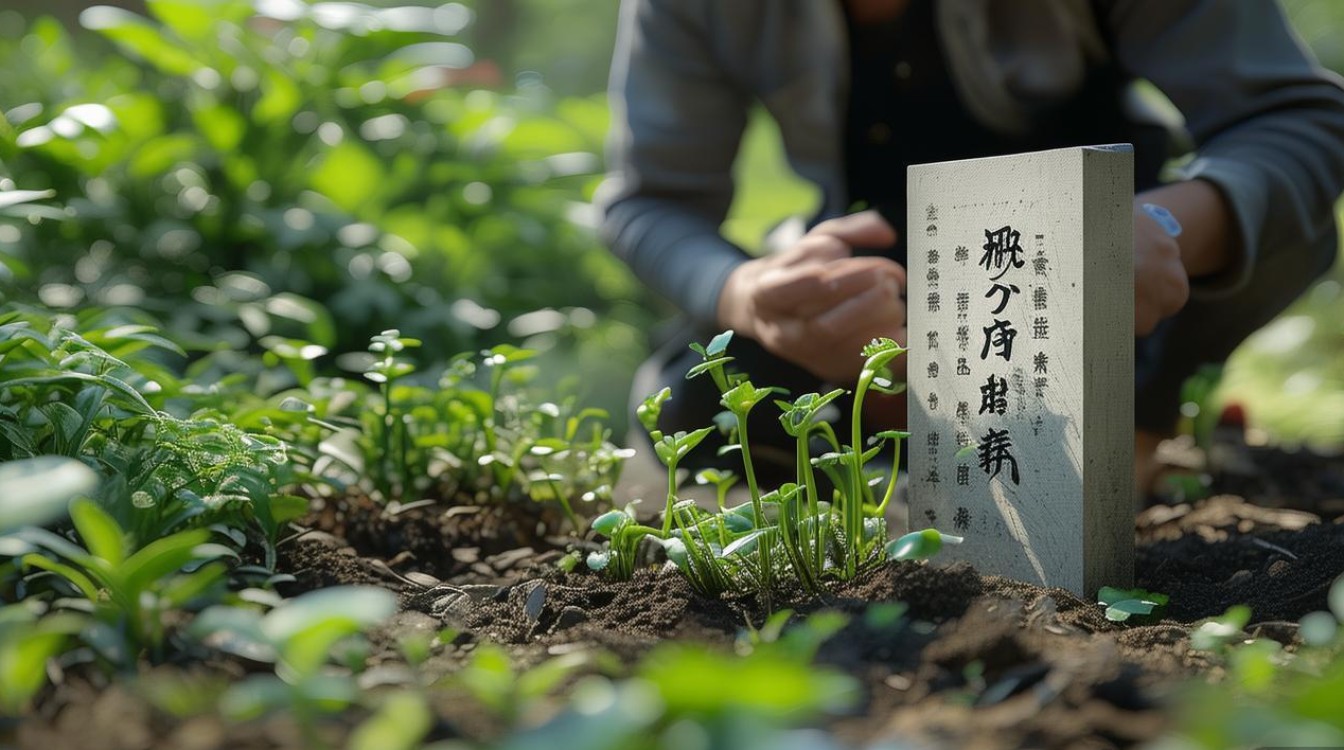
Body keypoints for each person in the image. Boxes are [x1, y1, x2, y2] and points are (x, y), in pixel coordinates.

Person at [597, 0, 1344, 489]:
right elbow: (651, 200)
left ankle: (1133, 412)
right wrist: (748, 295)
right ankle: (931, 444)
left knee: (1278, 224)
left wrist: (1158, 228)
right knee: (696, 403)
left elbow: (1296, 122)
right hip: (893, 275)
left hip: (1121, 269)